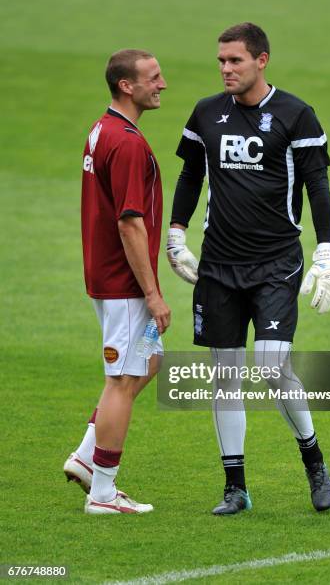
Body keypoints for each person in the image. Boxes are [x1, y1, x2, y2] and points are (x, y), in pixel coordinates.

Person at [167, 23, 330, 515]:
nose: (225, 69)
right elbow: (189, 174)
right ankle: (235, 487)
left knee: (270, 366)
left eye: (235, 61)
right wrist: (176, 234)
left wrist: (326, 251)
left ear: (261, 60)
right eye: (221, 61)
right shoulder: (205, 112)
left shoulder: (295, 114)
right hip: (219, 265)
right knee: (225, 375)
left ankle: (314, 461)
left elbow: (317, 187)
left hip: (275, 265)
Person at [64, 49, 171, 515]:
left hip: (107, 276)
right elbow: (130, 223)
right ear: (127, 86)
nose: (162, 84)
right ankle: (103, 493)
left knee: (147, 363)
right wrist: (152, 293)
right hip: (124, 284)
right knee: (123, 379)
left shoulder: (101, 128)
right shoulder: (127, 142)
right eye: (153, 77)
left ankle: (87, 458)